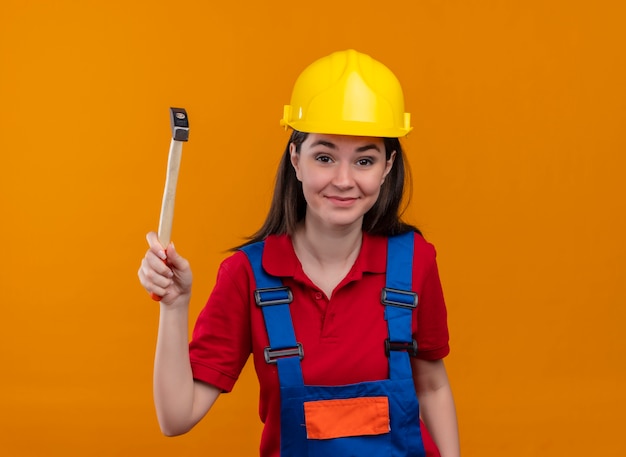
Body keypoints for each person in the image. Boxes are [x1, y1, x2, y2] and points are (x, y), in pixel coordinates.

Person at [138, 49, 460, 457]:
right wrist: (174, 305)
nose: (344, 180)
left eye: (364, 160)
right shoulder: (247, 276)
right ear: (296, 158)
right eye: (324, 157)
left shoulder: (414, 261)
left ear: (387, 167)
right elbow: (175, 416)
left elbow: (432, 385)